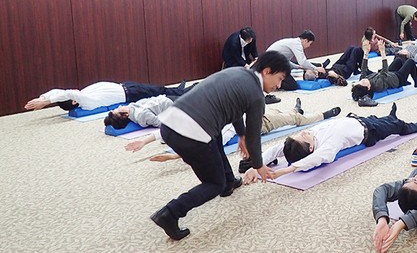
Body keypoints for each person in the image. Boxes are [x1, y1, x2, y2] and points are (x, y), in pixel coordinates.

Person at [149, 51, 290, 241]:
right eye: (279, 79)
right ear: (267, 71)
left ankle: (229, 181)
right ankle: (170, 213)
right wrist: (258, 165)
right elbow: (254, 135)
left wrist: (240, 134)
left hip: (169, 125)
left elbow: (236, 109)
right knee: (213, 184)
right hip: (190, 135)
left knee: (215, 137)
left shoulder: (238, 73)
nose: (279, 86)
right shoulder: (257, 95)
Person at [242, 103, 417, 183]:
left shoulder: (307, 137)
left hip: (357, 118)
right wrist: (284, 171)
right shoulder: (327, 147)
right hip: (370, 131)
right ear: (310, 148)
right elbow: (317, 160)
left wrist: (256, 166)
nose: (303, 132)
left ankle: (390, 116)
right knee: (398, 126)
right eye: (303, 137)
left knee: (383, 118)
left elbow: (276, 149)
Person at [122, 97, 341, 162]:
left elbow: (167, 132)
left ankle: (297, 110)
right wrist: (175, 156)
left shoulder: (209, 118)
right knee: (295, 119)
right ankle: (325, 115)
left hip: (255, 112)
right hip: (262, 123)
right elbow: (204, 145)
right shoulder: (220, 130)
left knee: (288, 114)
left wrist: (144, 141)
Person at [24, 80, 192, 112]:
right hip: (131, 93)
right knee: (161, 91)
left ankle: (180, 89)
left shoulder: (81, 96)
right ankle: (191, 90)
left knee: (161, 89)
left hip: (127, 86)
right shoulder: (86, 102)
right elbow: (67, 92)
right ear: (74, 101)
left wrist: (43, 99)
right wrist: (47, 102)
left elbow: (58, 90)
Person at [351, 40, 417, 105]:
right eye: (364, 83)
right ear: (369, 87)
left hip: (389, 74)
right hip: (398, 79)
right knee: (410, 62)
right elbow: (384, 70)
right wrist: (383, 52)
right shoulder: (378, 85)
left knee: (398, 60)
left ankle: (406, 77)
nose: (363, 80)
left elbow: (363, 68)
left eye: (360, 82)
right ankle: (416, 82)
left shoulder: (363, 80)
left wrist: (366, 52)